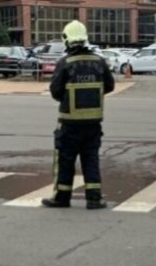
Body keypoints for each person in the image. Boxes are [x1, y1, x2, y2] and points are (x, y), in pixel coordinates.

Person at [41, 20, 115, 210]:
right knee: (91, 159)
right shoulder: (99, 62)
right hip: (93, 123)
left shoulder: (65, 63)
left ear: (66, 39)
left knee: (65, 160)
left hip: (69, 124)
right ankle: (94, 198)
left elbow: (55, 91)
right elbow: (109, 86)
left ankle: (62, 197)